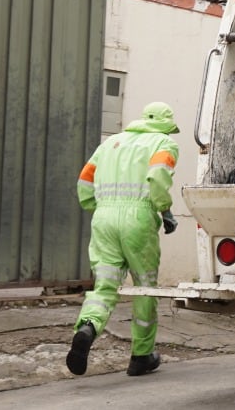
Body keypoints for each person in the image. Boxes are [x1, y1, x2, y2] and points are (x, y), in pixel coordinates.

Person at [66, 101, 181, 377]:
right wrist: (165, 210)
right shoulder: (163, 143)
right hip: (138, 219)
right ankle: (141, 355)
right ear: (166, 124)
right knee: (144, 286)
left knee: (104, 285)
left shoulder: (110, 143)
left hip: (103, 218)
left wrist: (99, 206)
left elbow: (84, 181)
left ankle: (88, 327)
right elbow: (157, 175)